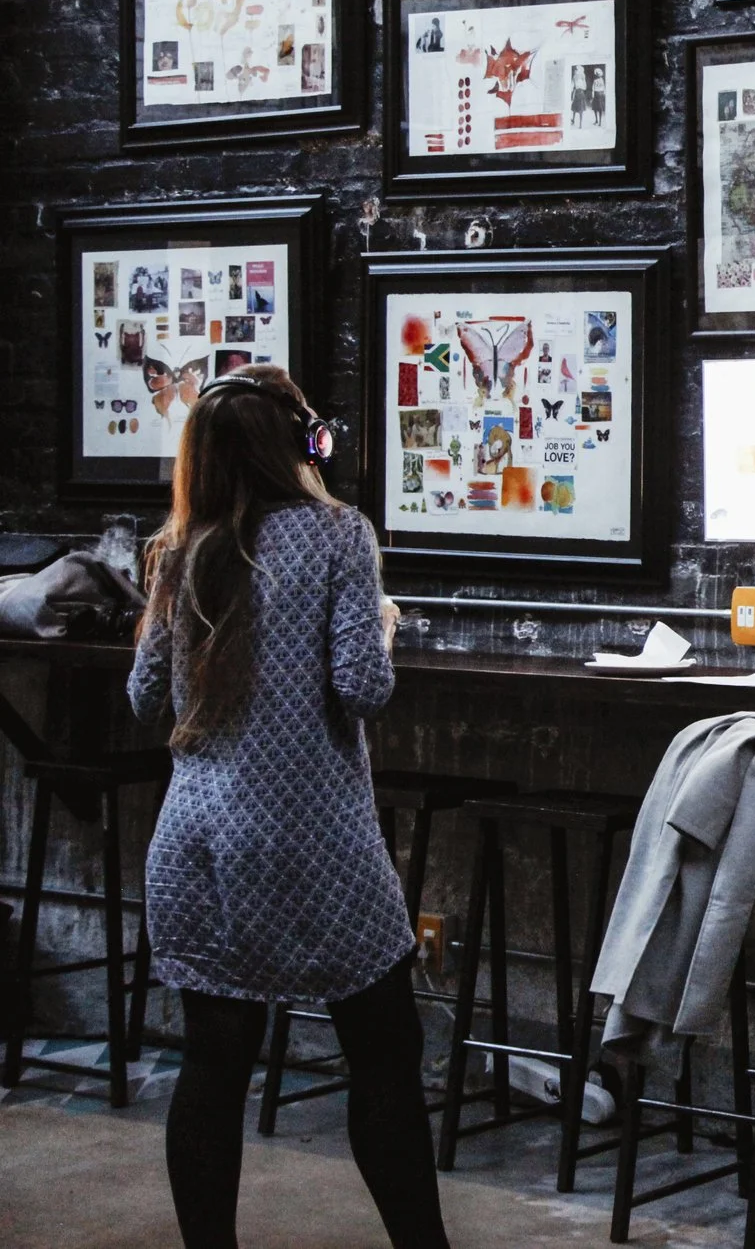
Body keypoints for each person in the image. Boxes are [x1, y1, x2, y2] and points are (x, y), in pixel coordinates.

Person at [127, 366, 447, 1249]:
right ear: (300, 445)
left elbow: (143, 694)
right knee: (384, 1054)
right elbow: (362, 687)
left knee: (213, 1064)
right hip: (318, 847)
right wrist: (381, 623)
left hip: (199, 844)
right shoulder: (340, 536)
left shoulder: (179, 547)